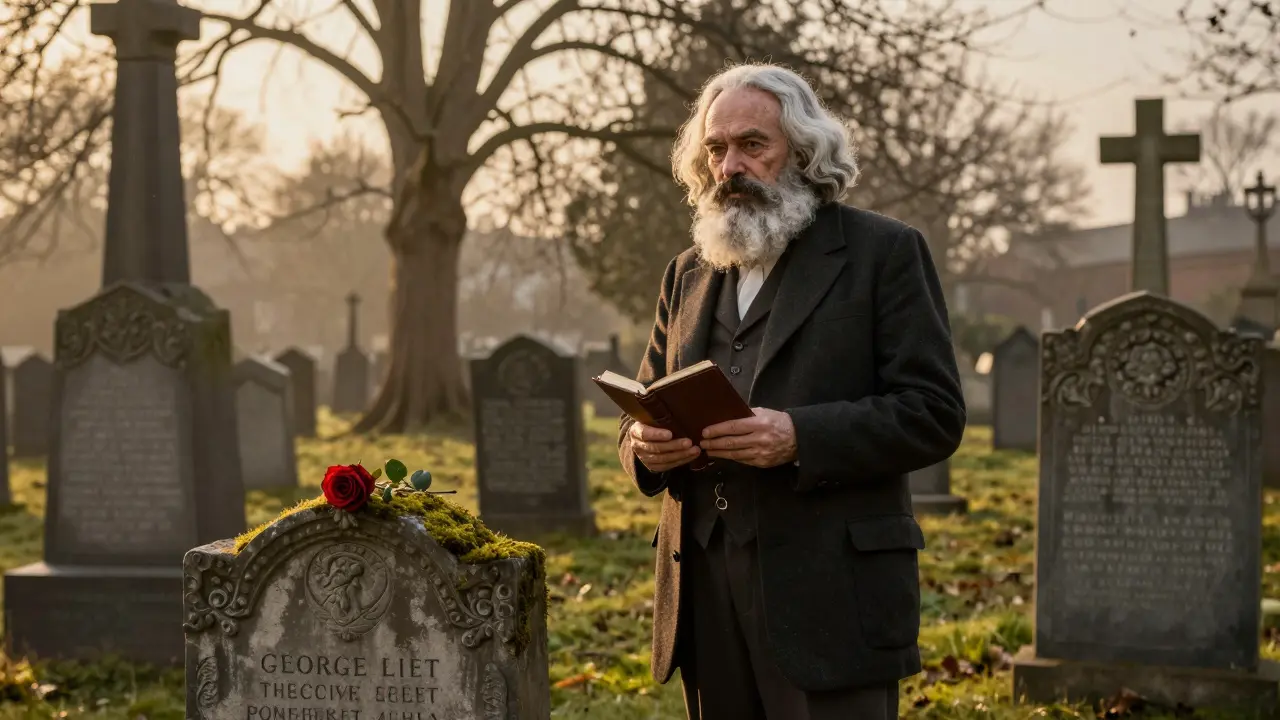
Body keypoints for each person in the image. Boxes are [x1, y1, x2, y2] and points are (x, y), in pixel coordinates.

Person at [617, 62, 966, 720]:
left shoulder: (884, 252)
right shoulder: (686, 273)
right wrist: (642, 446)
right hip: (702, 588)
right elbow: (639, 407)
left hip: (832, 592)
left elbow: (934, 413)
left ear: (804, 152)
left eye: (753, 145)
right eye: (716, 149)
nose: (730, 167)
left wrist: (800, 437)